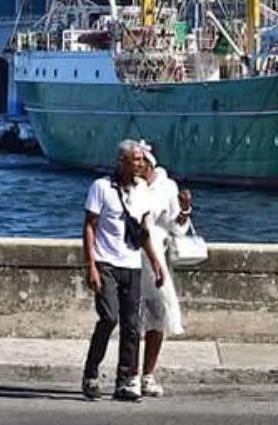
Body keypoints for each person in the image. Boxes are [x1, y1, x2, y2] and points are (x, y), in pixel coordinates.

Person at [81, 140, 165, 402]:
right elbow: (89, 227)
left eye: (142, 159)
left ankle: (126, 381)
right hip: (106, 263)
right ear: (122, 161)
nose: (141, 163)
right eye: (136, 159)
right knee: (108, 318)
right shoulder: (101, 187)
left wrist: (154, 261)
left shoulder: (142, 190)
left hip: (132, 264)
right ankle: (91, 372)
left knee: (132, 325)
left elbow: (143, 230)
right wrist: (91, 265)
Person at [135, 141, 192, 398]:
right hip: (130, 256)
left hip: (156, 257)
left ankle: (148, 374)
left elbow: (176, 226)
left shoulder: (166, 186)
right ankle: (130, 374)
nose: (135, 168)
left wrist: (185, 209)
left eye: (139, 163)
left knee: (156, 317)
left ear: (148, 164)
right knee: (132, 320)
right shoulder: (126, 185)